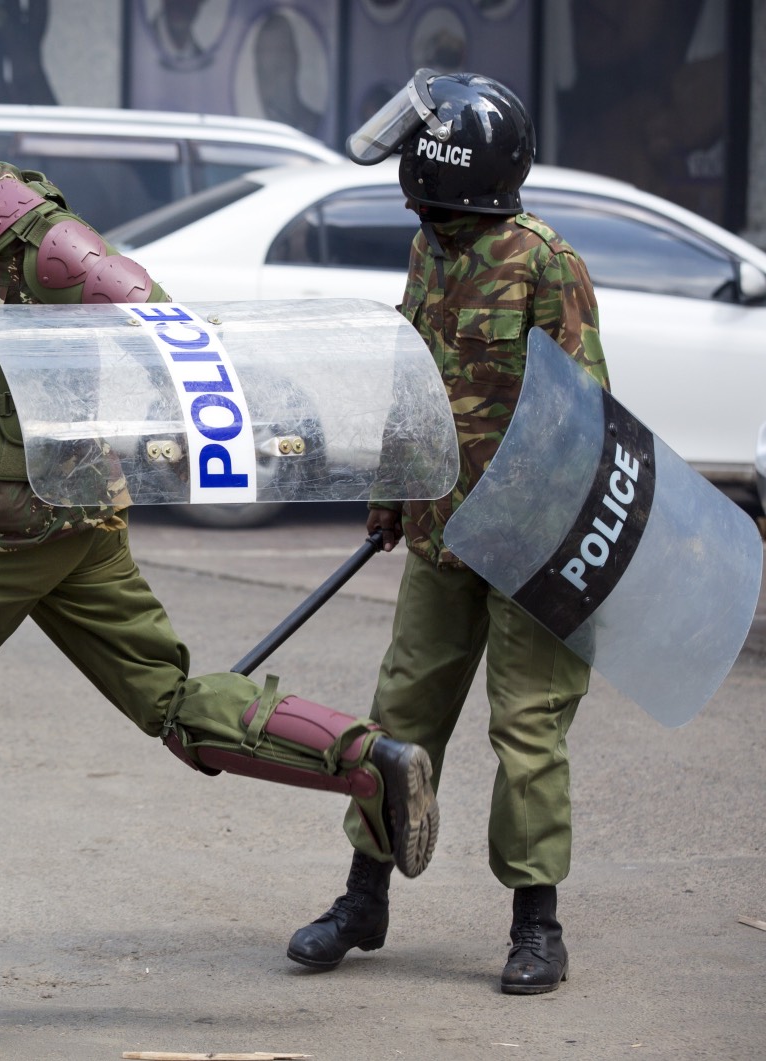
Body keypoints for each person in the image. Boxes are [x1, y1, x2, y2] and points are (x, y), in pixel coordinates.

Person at [0, 95, 444, 1036]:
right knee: (171, 699)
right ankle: (371, 760)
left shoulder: (43, 240)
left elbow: (156, 321)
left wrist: (165, 435)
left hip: (7, 528)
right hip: (65, 520)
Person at [287, 71, 608, 995]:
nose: (418, 204)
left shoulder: (546, 262)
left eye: (423, 181)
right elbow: (412, 379)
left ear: (447, 171)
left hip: (532, 547)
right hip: (439, 536)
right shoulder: (431, 252)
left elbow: (585, 413)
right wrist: (392, 492)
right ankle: (364, 897)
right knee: (400, 720)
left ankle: (536, 925)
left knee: (528, 732)